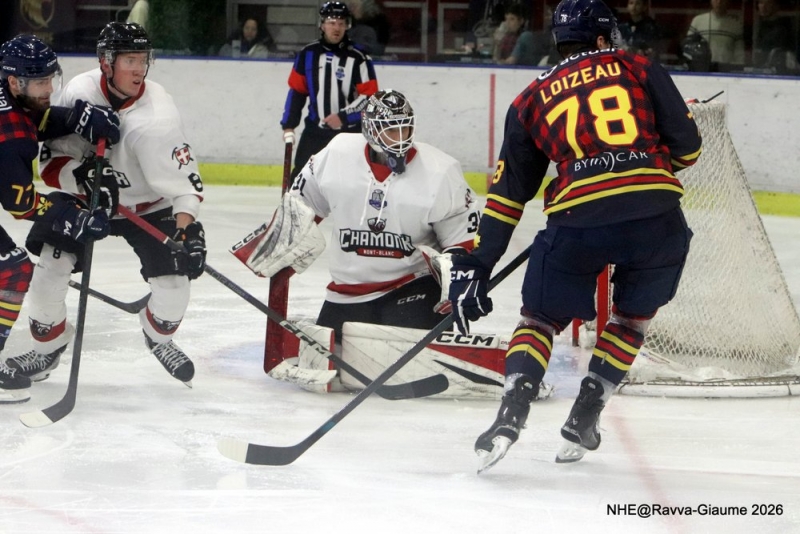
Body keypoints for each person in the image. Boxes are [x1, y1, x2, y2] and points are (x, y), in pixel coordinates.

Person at [443, 0, 702, 473]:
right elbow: (688, 150)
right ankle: (586, 412)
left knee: (539, 321)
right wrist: (643, 159)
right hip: (656, 219)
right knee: (631, 320)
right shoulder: (637, 66)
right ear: (602, 38)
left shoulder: (529, 98)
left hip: (577, 223)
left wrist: (481, 262)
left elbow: (508, 196)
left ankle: (510, 414)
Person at [4, 23, 206, 389]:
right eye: (130, 60)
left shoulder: (159, 115)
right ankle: (47, 349)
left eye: (143, 60)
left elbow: (185, 184)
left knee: (175, 288)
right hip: (84, 202)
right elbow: (51, 166)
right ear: (106, 62)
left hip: (146, 207)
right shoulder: (79, 91)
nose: (139, 70)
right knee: (48, 272)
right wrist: (83, 178)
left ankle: (158, 338)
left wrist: (186, 227)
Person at [0, 34, 120, 403]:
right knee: (12, 271)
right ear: (14, 81)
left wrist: (77, 118)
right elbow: (20, 204)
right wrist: (71, 215)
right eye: (40, 82)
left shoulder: (11, 98)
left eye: (51, 79)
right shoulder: (11, 138)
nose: (49, 89)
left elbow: (37, 118)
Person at [281, 1, 378, 179]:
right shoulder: (307, 54)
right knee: (300, 178)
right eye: (332, 23)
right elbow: (297, 92)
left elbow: (370, 98)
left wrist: (343, 117)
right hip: (315, 131)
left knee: (352, 180)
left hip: (349, 134)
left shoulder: (359, 57)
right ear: (322, 25)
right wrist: (289, 126)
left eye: (341, 23)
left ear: (347, 26)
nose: (337, 28)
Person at [686, 0, 744, 70]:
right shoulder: (698, 21)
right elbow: (688, 48)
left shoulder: (735, 25)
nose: (719, 2)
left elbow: (739, 54)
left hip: (726, 71)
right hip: (702, 71)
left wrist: (738, 70)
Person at [752, 0, 798, 74]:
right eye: (761, 3)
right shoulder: (758, 25)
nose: (763, 7)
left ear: (776, 6)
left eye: (768, 3)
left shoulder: (783, 28)